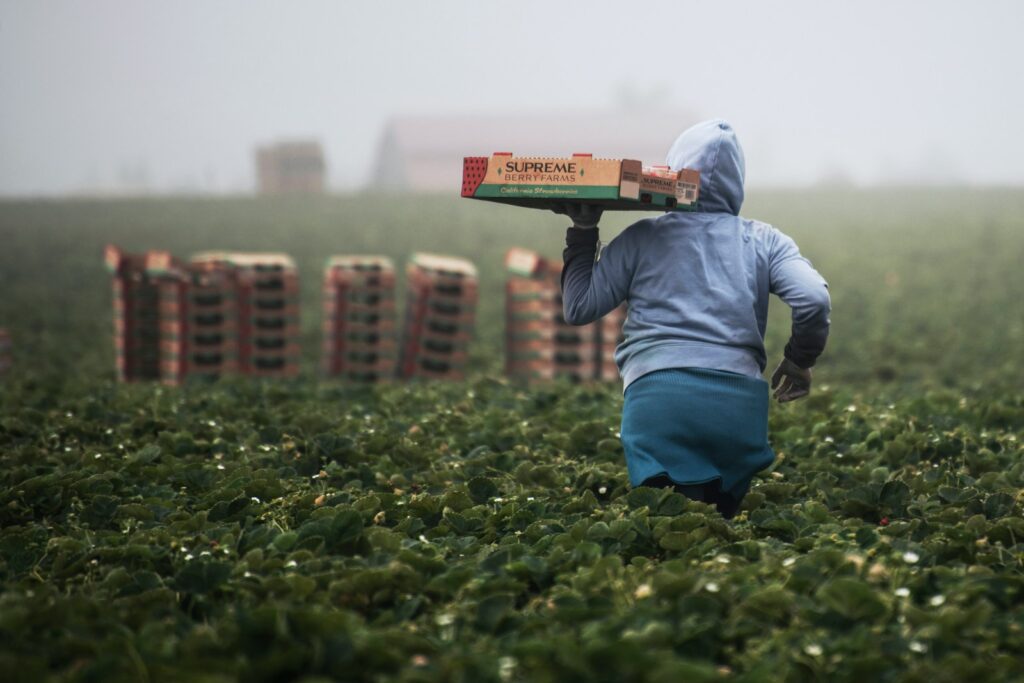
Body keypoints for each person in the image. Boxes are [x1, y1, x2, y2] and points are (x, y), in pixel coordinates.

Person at [556, 119, 831, 519]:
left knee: (668, 530)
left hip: (657, 401)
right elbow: (813, 298)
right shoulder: (766, 240)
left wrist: (583, 230)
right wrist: (799, 360)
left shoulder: (641, 238)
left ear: (673, 174)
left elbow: (578, 307)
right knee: (721, 537)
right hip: (738, 410)